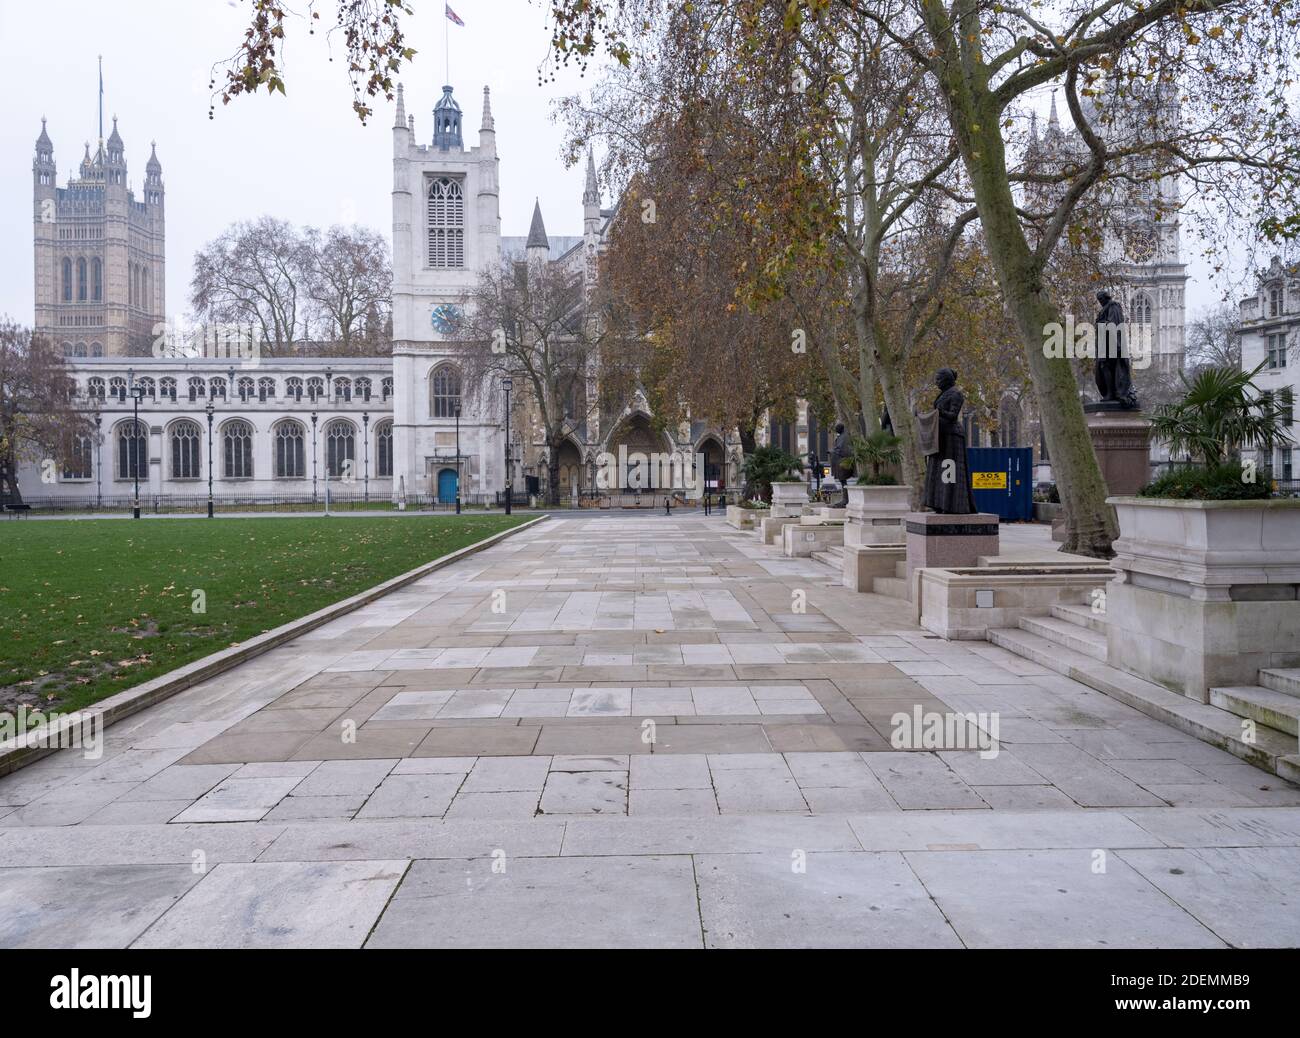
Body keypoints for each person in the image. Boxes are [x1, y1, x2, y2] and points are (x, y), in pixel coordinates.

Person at [921, 368, 977, 514]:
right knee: (938, 472)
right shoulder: (944, 393)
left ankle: (951, 505)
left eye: (938, 379)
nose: (936, 382)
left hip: (952, 437)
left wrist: (938, 412)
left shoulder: (956, 393)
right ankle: (938, 503)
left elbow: (952, 415)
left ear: (946, 379)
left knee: (950, 472)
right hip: (939, 437)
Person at [1095, 290, 1138, 408]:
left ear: (1106, 298)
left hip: (1112, 343)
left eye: (1101, 300)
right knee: (1104, 367)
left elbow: (1112, 324)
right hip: (1105, 342)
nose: (1100, 302)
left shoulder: (1113, 306)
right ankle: (1110, 393)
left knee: (1108, 366)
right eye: (1099, 300)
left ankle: (1112, 393)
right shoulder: (1106, 308)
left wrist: (1101, 324)